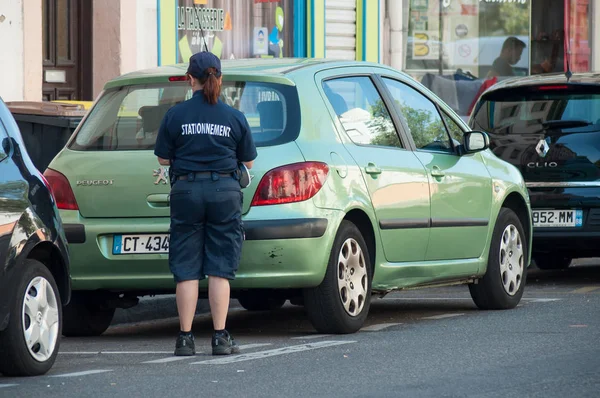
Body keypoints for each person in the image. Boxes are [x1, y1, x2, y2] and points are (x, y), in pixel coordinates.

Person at [154, 51, 257, 356]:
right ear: (220, 79)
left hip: (186, 191)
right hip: (224, 191)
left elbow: (162, 157)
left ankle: (185, 339)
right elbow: (248, 159)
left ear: (190, 80)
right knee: (219, 267)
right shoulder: (234, 116)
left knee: (186, 267)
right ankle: (220, 337)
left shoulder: (175, 115)